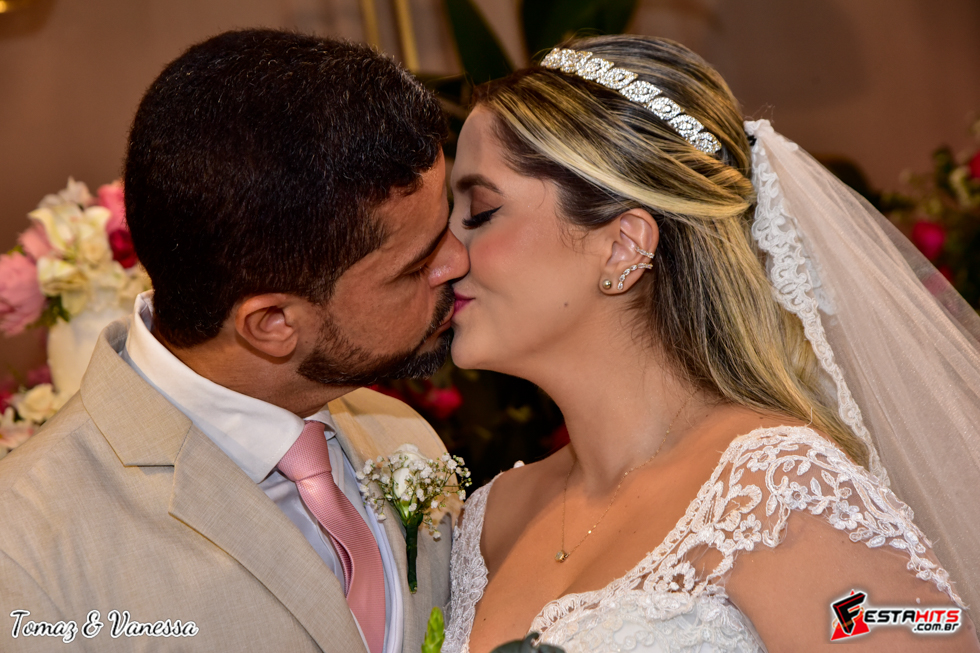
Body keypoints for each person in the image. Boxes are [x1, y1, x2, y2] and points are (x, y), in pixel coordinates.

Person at [442, 35, 980, 652]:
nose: (446, 255)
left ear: (622, 247)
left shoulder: (779, 493)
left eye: (480, 213)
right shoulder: (491, 518)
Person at [0, 29, 468, 652]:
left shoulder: (403, 437)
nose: (459, 261)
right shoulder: (25, 552)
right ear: (272, 323)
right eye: (416, 265)